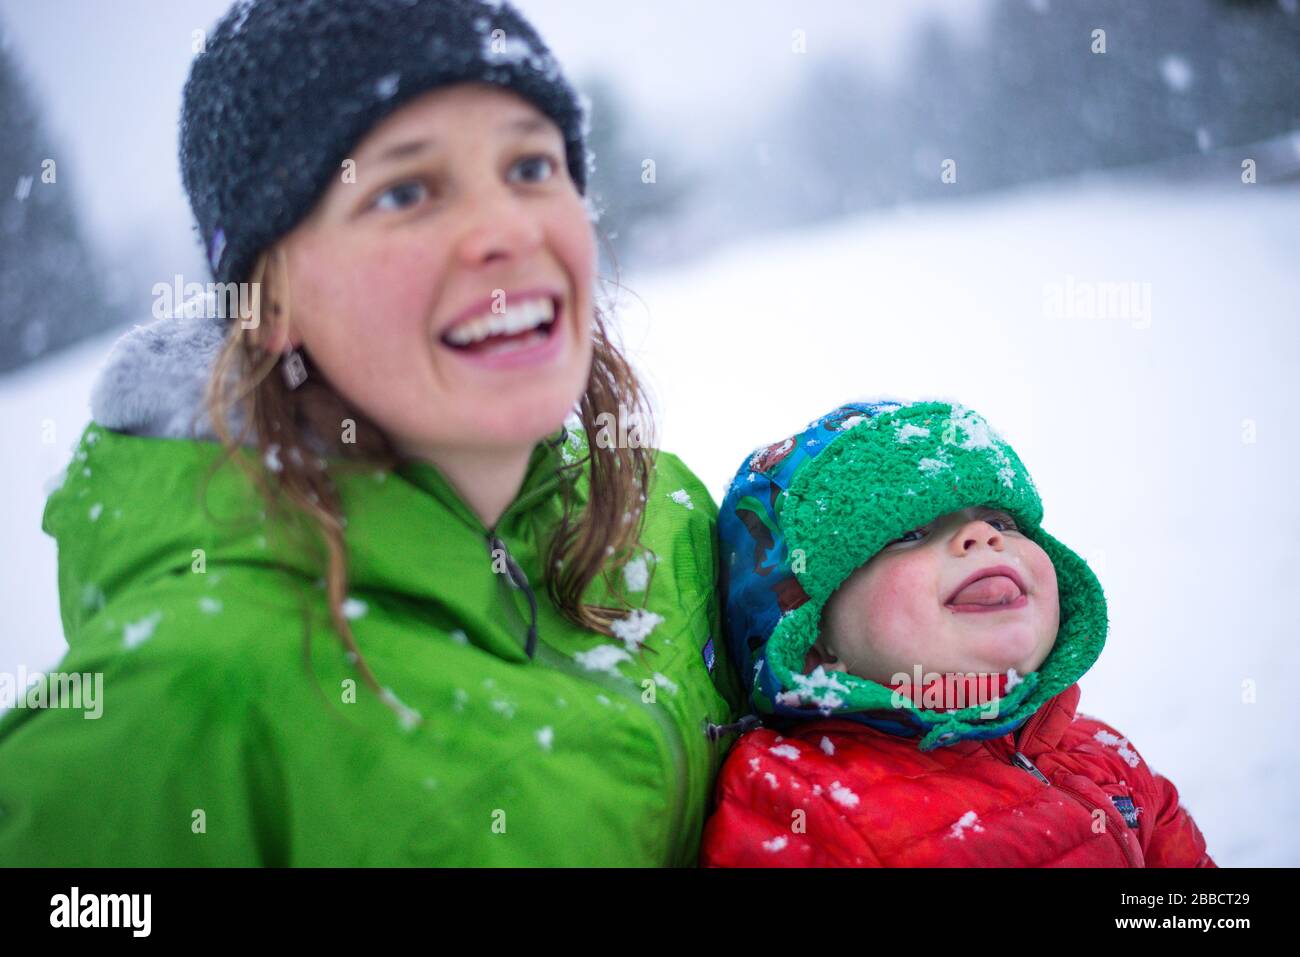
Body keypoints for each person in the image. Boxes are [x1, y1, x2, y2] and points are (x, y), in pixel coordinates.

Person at [0, 0, 743, 867]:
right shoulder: (189, 698)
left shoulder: (671, 519)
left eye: (532, 165)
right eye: (405, 191)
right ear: (268, 299)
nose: (507, 230)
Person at [699, 398, 1215, 867]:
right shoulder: (803, 801)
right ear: (814, 643)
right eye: (909, 533)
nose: (982, 535)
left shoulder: (1103, 755)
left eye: (1001, 520)